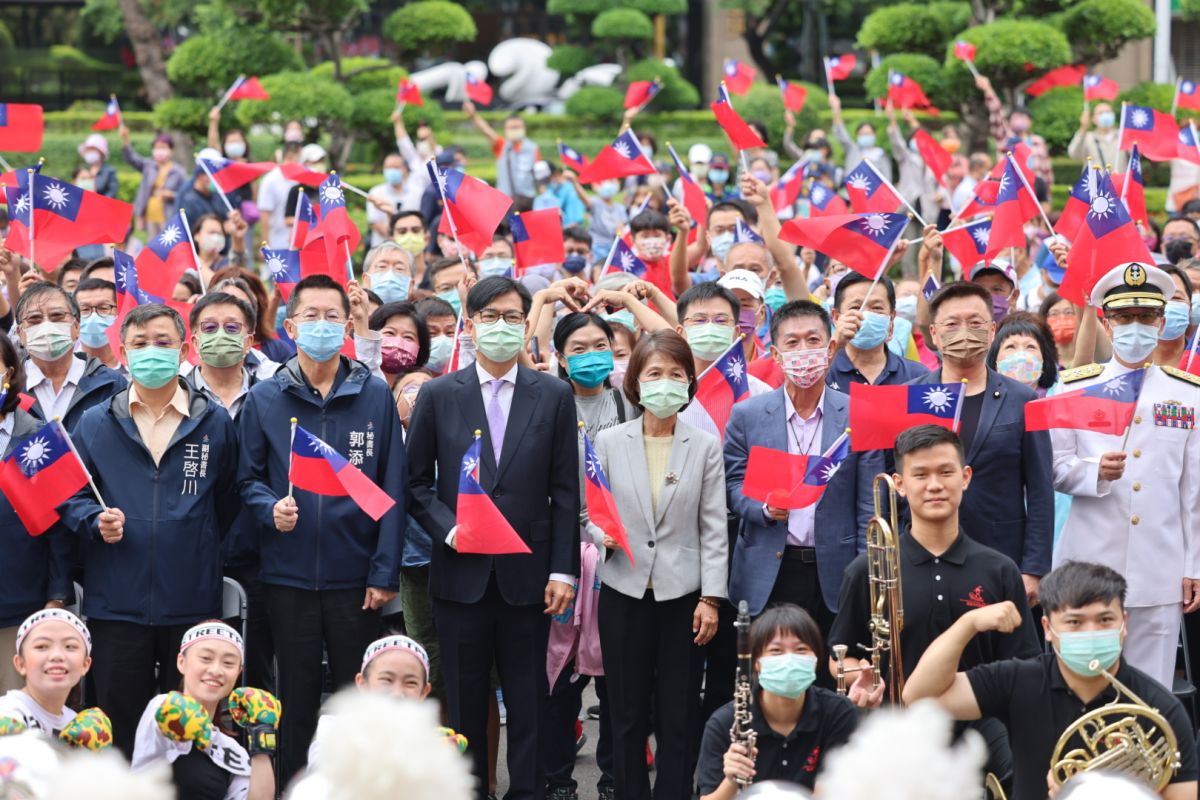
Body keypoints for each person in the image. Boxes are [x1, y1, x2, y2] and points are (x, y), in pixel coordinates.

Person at [406, 275, 580, 800]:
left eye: (510, 316)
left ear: (525, 323)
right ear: (471, 324)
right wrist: (448, 528)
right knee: (464, 703)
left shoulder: (553, 394)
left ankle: (526, 791)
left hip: (529, 576)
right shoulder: (439, 393)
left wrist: (562, 569)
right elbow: (415, 483)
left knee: (527, 700)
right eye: (489, 317)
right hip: (461, 576)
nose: (499, 326)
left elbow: (565, 490)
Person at [237, 274, 408, 785]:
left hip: (356, 577)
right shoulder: (266, 398)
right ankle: (294, 785)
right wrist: (271, 509)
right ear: (289, 326)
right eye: (310, 316)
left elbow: (391, 487)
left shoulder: (373, 394)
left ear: (348, 324)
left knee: (357, 698)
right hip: (287, 576)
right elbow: (247, 480)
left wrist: (383, 571)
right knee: (297, 694)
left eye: (332, 316)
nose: (321, 325)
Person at [57, 303, 240, 757]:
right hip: (117, 601)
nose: (151, 353)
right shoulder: (96, 422)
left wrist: (194, 542)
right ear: (123, 352)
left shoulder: (213, 421)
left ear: (183, 350)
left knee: (188, 731)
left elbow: (230, 501)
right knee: (121, 729)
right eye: (140, 344)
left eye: (162, 343)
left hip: (191, 601)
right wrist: (93, 521)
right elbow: (71, 496)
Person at [903, 560, 1199, 800]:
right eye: (1074, 622)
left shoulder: (1160, 708)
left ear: (1125, 623)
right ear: (1047, 627)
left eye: (1105, 620)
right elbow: (919, 696)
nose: (1091, 632)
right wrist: (968, 624)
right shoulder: (1019, 678)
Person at [589, 329, 727, 800]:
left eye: (675, 374)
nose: (664, 383)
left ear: (689, 383)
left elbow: (714, 528)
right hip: (623, 590)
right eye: (654, 373)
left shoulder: (706, 446)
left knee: (680, 709)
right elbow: (589, 511)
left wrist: (711, 597)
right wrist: (596, 536)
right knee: (624, 712)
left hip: (684, 597)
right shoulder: (607, 442)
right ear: (635, 381)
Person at [1051, 262, 1200, 688]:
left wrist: (1194, 564)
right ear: (1107, 322)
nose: (1136, 327)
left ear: (1161, 321)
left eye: (1146, 317)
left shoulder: (1186, 394)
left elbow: (1193, 491)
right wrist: (1094, 472)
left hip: (1160, 565)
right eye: (1124, 318)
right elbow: (1055, 469)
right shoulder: (1075, 387)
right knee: (1084, 684)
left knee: (1152, 689)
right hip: (1089, 560)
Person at [724, 300, 880, 632]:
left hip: (836, 574)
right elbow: (732, 486)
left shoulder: (859, 414)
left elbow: (869, 504)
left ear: (831, 347)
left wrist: (863, 571)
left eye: (813, 340)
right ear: (776, 354)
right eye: (792, 343)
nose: (804, 351)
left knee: (831, 675)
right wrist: (763, 509)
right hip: (769, 571)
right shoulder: (747, 416)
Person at [912, 279, 1054, 604]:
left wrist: (1034, 568)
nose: (964, 332)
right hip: (924, 558)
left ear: (991, 330)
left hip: (1002, 559)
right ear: (934, 334)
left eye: (975, 323)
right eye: (952, 324)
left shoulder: (1024, 399)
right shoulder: (912, 397)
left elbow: (1041, 489)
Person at [543, 311, 633, 800]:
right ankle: (558, 781)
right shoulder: (548, 404)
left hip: (618, 556)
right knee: (558, 676)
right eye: (578, 347)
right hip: (562, 556)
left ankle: (615, 781)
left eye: (601, 344)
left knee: (617, 678)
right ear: (559, 356)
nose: (591, 355)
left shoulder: (628, 403)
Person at [696, 604, 857, 798]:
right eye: (776, 651)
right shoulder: (723, 722)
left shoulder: (838, 712)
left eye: (800, 649)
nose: (789, 659)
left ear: (816, 658)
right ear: (756, 662)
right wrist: (731, 781)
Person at [0, 340, 75, 694]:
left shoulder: (37, 438)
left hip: (20, 606)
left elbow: (59, 527)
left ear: (9, 372)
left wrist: (56, 595)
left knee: (18, 724)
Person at [131, 622, 278, 800]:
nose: (216, 670)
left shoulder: (232, 750)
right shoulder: (162, 708)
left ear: (238, 672)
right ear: (181, 662)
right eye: (206, 658)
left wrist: (261, 737)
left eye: (228, 663)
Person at [308, 635, 435, 766]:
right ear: (362, 683)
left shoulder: (435, 741)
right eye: (387, 680)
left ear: (424, 692)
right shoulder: (333, 728)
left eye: (410, 683)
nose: (397, 694)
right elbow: (321, 770)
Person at [17, 283, 126, 432]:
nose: (46, 326)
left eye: (57, 316)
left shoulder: (111, 383)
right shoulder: (7, 389)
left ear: (76, 327)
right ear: (20, 333)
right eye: (34, 319)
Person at [0, 610, 94, 737]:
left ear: (85, 664)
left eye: (70, 646)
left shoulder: (78, 724)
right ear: (20, 663)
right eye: (42, 646)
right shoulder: (7, 712)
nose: (57, 656)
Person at [826, 273, 925, 391]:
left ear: (892, 317)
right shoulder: (822, 374)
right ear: (836, 317)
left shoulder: (918, 377)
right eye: (856, 308)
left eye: (877, 308)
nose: (866, 315)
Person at [975, 75, 1055, 186]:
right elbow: (997, 113)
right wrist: (988, 90)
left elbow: (1046, 170)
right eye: (1016, 117)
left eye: (1023, 117)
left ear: (1030, 122)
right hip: (1013, 189)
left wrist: (1047, 192)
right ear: (1009, 121)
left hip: (1035, 189)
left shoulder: (1038, 141)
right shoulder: (1005, 137)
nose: (1020, 120)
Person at [463, 102, 540, 206]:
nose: (514, 130)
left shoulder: (533, 149)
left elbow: (539, 175)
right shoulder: (502, 146)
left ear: (524, 128)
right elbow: (487, 132)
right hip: (506, 201)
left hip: (528, 200)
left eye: (517, 127)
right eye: (511, 128)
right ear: (506, 130)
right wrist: (473, 116)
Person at [120, 127, 187, 238]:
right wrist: (125, 139)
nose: (160, 151)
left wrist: (172, 195)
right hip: (150, 215)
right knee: (152, 246)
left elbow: (186, 193)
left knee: (168, 244)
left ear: (172, 150)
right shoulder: (149, 166)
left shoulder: (178, 171)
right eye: (157, 148)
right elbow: (132, 158)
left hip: (168, 215)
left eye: (163, 148)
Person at [985, 315, 1059, 396]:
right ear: (995, 360)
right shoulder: (981, 400)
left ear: (1044, 360)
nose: (1021, 355)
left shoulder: (1060, 393)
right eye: (1011, 346)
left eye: (1030, 347)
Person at [828, 94, 892, 182]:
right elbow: (840, 132)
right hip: (851, 193)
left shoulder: (880, 154)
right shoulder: (853, 150)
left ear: (875, 135)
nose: (865, 136)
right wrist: (836, 110)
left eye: (868, 133)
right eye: (862, 134)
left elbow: (887, 179)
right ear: (857, 135)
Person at [258, 141, 302, 249]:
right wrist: (265, 243)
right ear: (289, 156)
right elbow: (264, 215)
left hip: (299, 243)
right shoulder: (270, 180)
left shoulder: (301, 178)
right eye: (299, 158)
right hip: (277, 242)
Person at [74, 278, 124, 374]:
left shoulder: (134, 366)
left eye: (103, 308)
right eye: (85, 309)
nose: (94, 317)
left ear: (118, 312)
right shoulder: (63, 366)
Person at [1068, 102, 1120, 167]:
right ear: (1093, 119)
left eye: (1108, 112)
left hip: (1120, 176)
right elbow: (1073, 154)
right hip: (1096, 177)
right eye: (1101, 113)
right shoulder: (1087, 137)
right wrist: (1083, 128)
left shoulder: (1123, 136)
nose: (1105, 115)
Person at [76, 134, 119, 198]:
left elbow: (112, 193)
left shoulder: (109, 171)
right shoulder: (83, 169)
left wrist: (98, 203)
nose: (89, 152)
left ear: (101, 152)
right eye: (88, 149)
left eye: (92, 149)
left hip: (102, 207)